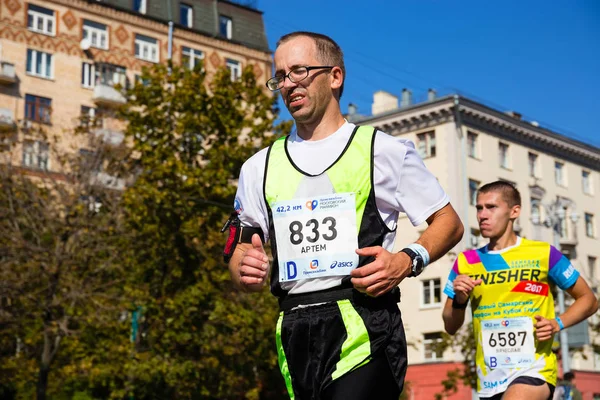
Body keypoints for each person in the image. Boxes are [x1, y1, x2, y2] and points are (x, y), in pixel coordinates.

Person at [224, 31, 464, 400]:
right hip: (294, 326)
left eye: (300, 71)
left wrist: (406, 260)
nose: (289, 84)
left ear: (335, 76)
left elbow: (449, 223)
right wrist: (243, 266)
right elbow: (239, 249)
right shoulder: (258, 167)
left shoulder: (384, 151)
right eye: (281, 76)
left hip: (364, 320)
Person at [442, 181, 598, 400]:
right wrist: (459, 300)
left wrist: (557, 323)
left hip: (534, 368)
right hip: (490, 376)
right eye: (479, 208)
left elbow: (589, 300)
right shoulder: (466, 262)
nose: (482, 215)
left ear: (514, 211)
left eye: (491, 207)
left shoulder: (543, 253)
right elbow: (450, 325)